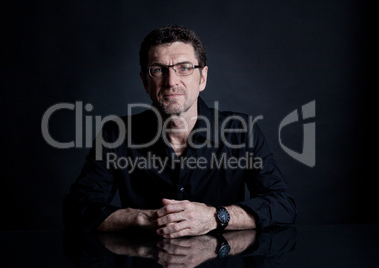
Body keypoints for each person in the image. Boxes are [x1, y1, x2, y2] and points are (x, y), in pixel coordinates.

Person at [62, 25, 297, 238]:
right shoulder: (115, 134)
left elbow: (282, 205)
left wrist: (215, 217)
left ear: (202, 77)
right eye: (158, 70)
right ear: (145, 81)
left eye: (184, 68)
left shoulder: (242, 132)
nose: (171, 81)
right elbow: (77, 209)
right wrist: (147, 219)